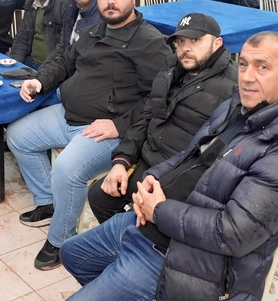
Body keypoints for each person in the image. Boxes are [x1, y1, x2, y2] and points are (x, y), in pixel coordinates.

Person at [59, 32, 278, 301]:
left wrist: (159, 210)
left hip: (190, 259)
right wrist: (150, 181)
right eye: (244, 64)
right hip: (157, 225)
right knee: (72, 253)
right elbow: (187, 156)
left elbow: (232, 233)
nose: (247, 77)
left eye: (262, 67)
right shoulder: (236, 107)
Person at [7, 0, 170, 270]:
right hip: (69, 115)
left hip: (105, 130)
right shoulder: (93, 32)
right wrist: (40, 81)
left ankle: (61, 240)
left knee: (67, 170)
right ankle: (48, 202)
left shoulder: (150, 43)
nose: (110, 1)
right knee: (17, 135)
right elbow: (64, 61)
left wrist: (119, 125)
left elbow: (158, 99)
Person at [88, 12, 237, 224]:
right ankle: (128, 236)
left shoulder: (233, 87)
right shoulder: (171, 71)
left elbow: (214, 155)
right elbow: (146, 118)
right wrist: (122, 161)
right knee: (99, 196)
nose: (185, 48)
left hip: (180, 179)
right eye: (180, 41)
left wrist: (160, 189)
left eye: (195, 40)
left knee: (147, 224)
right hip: (146, 163)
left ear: (217, 43)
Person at [9, 0, 70, 69]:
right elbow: (21, 38)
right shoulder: (31, 3)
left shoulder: (66, 2)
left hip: (52, 68)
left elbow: (64, 45)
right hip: (30, 62)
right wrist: (14, 65)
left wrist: (43, 72)